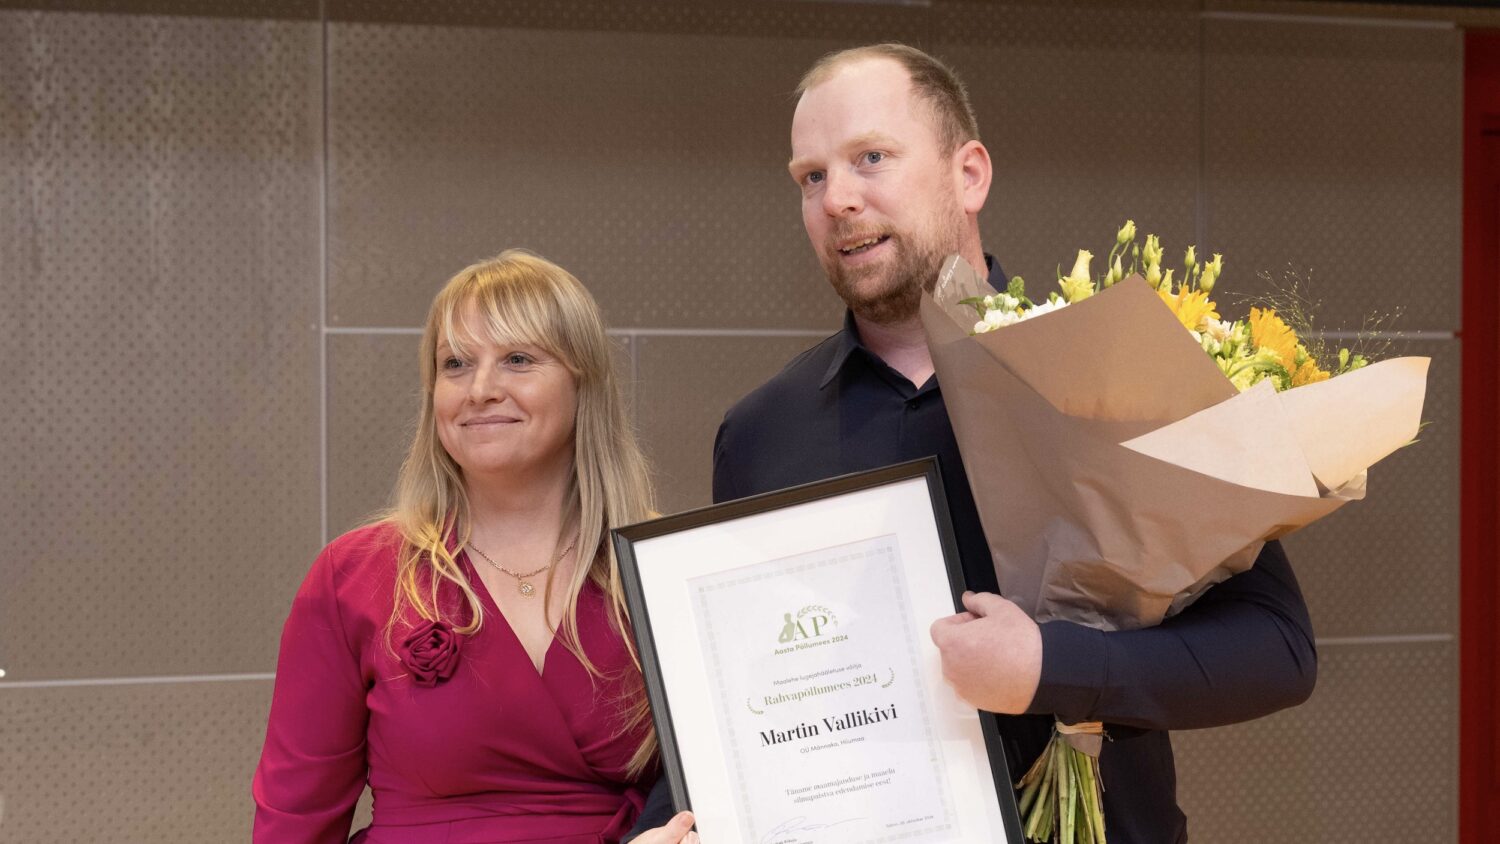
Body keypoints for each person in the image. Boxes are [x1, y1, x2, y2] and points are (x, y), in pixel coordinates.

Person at [631, 44, 1316, 843]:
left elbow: (1278, 650)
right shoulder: (761, 432)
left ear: (970, 175)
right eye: (810, 177)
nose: (838, 199)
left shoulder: (1106, 377)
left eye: (871, 158)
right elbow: (736, 697)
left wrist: (1051, 670)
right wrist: (664, 826)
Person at [253, 250, 698, 844]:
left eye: (518, 359)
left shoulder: (667, 569)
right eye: (456, 364)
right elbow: (292, 824)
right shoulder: (353, 576)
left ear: (583, 381)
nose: (480, 389)